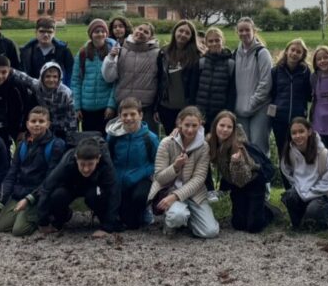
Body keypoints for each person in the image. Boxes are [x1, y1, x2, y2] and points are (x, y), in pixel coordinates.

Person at [0, 106, 66, 237]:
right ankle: (23, 213)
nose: (37, 124)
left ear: (48, 124)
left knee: (19, 230)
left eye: (41, 121)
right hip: (20, 191)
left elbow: (51, 178)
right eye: (33, 121)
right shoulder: (23, 144)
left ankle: (50, 215)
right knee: (0, 227)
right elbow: (12, 174)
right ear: (27, 124)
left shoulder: (56, 145)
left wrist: (29, 199)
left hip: (39, 194)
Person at [149, 105, 219, 239]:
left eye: (194, 125)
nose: (190, 129)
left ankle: (188, 219)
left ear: (200, 124)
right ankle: (171, 223)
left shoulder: (204, 147)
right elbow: (159, 177)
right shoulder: (166, 143)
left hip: (194, 194)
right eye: (186, 125)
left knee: (210, 232)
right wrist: (175, 167)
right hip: (168, 189)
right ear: (179, 123)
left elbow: (199, 179)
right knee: (177, 216)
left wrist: (176, 196)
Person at [37, 138, 123, 238]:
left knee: (95, 196)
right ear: (76, 158)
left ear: (98, 159)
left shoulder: (106, 163)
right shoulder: (67, 161)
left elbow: (114, 192)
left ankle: (103, 220)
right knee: (57, 195)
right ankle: (61, 218)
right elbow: (47, 188)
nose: (86, 169)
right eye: (82, 164)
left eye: (90, 164)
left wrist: (108, 227)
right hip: (71, 185)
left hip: (92, 186)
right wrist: (43, 222)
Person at [209, 110, 275, 233]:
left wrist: (237, 163)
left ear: (233, 129)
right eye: (222, 125)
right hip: (237, 187)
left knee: (254, 227)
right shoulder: (212, 142)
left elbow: (242, 179)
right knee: (238, 224)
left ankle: (268, 210)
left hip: (253, 182)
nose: (225, 130)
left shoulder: (238, 147)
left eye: (229, 127)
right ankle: (251, 208)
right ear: (215, 126)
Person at [105, 98, 160, 230]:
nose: (129, 118)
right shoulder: (113, 137)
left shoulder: (150, 138)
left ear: (140, 115)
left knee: (138, 202)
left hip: (141, 179)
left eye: (133, 114)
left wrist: (142, 173)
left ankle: (144, 210)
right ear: (119, 116)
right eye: (125, 115)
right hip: (119, 180)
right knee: (128, 223)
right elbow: (109, 159)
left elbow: (157, 163)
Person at [103, 22, 165, 130]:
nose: (141, 33)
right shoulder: (121, 49)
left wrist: (157, 107)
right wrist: (110, 58)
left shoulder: (157, 54)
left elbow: (161, 80)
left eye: (146, 32)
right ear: (134, 30)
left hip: (145, 107)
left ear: (151, 37)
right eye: (140, 29)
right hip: (123, 105)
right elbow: (109, 77)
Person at [280, 116, 328, 231]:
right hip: (300, 191)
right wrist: (298, 186)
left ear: (309, 131)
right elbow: (286, 170)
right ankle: (298, 223)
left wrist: (313, 191)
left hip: (319, 193)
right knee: (289, 196)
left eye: (301, 131)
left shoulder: (321, 152)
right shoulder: (289, 151)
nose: (298, 136)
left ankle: (325, 221)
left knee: (313, 209)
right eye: (294, 133)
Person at [269, 38, 312, 171]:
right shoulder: (276, 71)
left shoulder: (305, 72)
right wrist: (272, 116)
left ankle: (300, 186)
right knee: (283, 153)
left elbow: (309, 95)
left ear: (302, 55)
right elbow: (272, 94)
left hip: (298, 120)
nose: (294, 53)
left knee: (299, 153)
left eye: (298, 52)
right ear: (286, 51)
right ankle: (288, 188)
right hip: (279, 119)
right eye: (292, 50)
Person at [233, 17, 273, 155]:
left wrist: (252, 103)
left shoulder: (261, 53)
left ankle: (263, 176)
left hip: (259, 109)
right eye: (241, 30)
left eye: (247, 30)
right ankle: (247, 177)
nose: (244, 33)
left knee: (259, 147)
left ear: (254, 31)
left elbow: (265, 83)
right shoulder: (235, 54)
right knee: (243, 147)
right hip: (240, 110)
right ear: (237, 32)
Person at [159, 20, 204, 134]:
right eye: (181, 31)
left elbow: (196, 84)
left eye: (187, 33)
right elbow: (159, 80)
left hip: (186, 108)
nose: (183, 34)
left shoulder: (196, 56)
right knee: (171, 138)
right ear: (175, 32)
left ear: (191, 37)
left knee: (187, 138)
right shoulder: (164, 53)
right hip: (166, 106)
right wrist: (156, 107)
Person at [72, 19, 116, 134]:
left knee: (106, 141)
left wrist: (111, 105)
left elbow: (116, 82)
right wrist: (77, 106)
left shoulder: (113, 53)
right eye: (96, 31)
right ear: (91, 34)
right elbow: (76, 81)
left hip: (105, 108)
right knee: (89, 140)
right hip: (87, 108)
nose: (100, 34)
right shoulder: (82, 53)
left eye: (103, 31)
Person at [192, 27, 235, 131]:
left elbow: (232, 91)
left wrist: (227, 113)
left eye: (217, 40)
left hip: (220, 114)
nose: (214, 43)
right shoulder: (201, 62)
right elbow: (193, 88)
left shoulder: (230, 63)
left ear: (222, 41)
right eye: (210, 41)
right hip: (201, 113)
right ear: (206, 43)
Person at [30, 61, 77, 142]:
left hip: (62, 130)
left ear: (59, 78)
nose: (51, 80)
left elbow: (72, 118)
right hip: (42, 128)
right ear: (42, 77)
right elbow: (23, 78)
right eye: (47, 76)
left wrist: (71, 137)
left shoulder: (66, 93)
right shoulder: (37, 85)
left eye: (55, 77)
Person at [20, 17, 73, 84]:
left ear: (54, 33)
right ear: (36, 32)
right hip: (33, 90)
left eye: (49, 32)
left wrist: (66, 89)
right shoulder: (27, 51)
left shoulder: (64, 51)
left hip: (57, 91)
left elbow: (70, 73)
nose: (46, 35)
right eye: (42, 31)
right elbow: (24, 74)